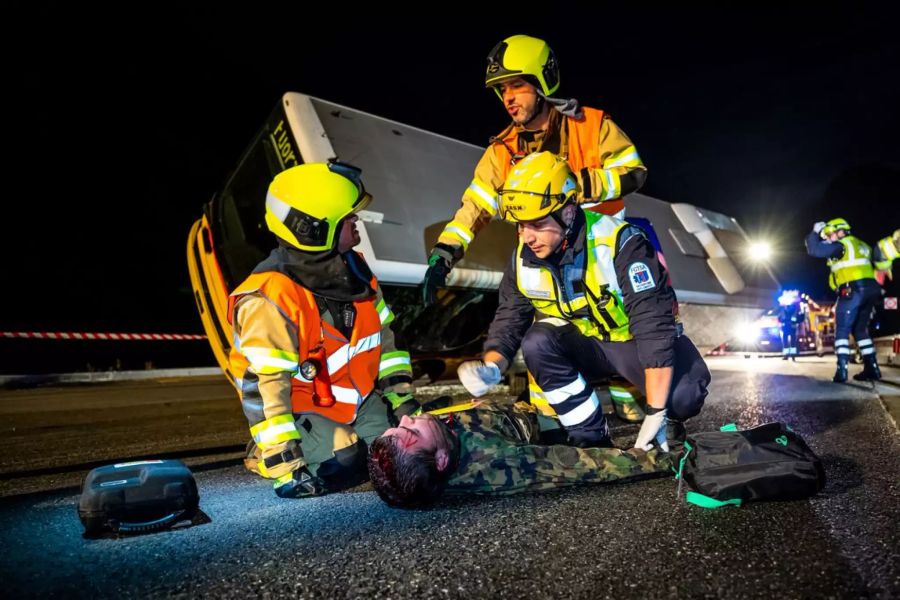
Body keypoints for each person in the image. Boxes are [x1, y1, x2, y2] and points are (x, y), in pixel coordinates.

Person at [454, 152, 710, 451]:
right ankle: (590, 438)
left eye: (536, 224)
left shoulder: (621, 242)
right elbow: (511, 316)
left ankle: (668, 420)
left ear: (569, 211)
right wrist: (493, 366)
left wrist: (656, 412)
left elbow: (652, 326)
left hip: (634, 345)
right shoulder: (523, 256)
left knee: (683, 397)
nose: (527, 237)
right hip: (587, 346)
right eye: (520, 226)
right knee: (537, 341)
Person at [228, 162, 419, 498]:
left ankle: (348, 436)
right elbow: (264, 389)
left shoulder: (356, 272)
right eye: (348, 218)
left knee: (401, 451)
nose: (356, 221)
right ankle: (263, 455)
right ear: (314, 229)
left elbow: (386, 343)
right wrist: (286, 466)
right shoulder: (268, 298)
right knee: (346, 461)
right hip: (302, 410)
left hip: (356, 406)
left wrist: (401, 401)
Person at [422, 34, 647, 306]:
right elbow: (475, 207)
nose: (508, 98)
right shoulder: (502, 151)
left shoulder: (591, 126)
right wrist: (444, 253)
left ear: (543, 82)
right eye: (502, 90)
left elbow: (634, 172)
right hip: (547, 270)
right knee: (540, 341)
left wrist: (575, 185)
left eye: (516, 86)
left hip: (605, 261)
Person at [367, 401, 673, 507]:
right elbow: (586, 466)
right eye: (412, 432)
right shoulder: (500, 463)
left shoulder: (433, 450)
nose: (407, 419)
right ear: (442, 461)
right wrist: (664, 459)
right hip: (538, 419)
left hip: (494, 412)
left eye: (398, 426)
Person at [806, 218, 884, 382]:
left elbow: (814, 250)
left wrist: (814, 233)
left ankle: (842, 370)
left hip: (853, 290)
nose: (829, 238)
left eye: (831, 234)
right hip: (870, 290)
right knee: (860, 330)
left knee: (842, 330)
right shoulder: (862, 245)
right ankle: (872, 368)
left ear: (841, 231)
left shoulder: (842, 245)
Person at [776, 289, 803, 361]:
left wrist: (794, 321)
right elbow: (779, 318)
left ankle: (792, 356)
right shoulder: (783, 310)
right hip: (786, 328)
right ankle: (786, 355)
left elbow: (798, 318)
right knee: (786, 343)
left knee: (792, 343)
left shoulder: (794, 310)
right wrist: (782, 321)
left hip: (791, 328)